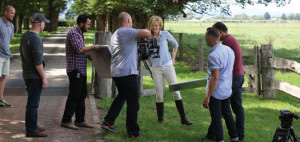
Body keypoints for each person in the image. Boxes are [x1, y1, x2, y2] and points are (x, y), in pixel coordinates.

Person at [101, 12, 151, 138]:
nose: (132, 22)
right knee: (133, 102)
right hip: (127, 73)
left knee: (122, 96)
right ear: (128, 20)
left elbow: (125, 53)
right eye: (131, 20)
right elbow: (147, 33)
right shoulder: (126, 32)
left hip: (118, 73)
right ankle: (133, 132)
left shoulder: (116, 34)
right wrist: (147, 34)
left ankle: (108, 121)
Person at [146, 16, 192, 125]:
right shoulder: (147, 37)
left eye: (157, 25)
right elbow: (145, 53)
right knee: (159, 93)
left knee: (176, 91)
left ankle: (183, 119)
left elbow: (175, 44)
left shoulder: (165, 34)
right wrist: (150, 63)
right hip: (156, 68)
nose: (155, 28)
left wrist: (173, 58)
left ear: (160, 25)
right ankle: (160, 119)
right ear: (150, 26)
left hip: (168, 66)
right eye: (153, 26)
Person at [61, 14, 99, 130]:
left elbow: (81, 50)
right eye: (88, 24)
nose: (89, 26)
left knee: (82, 95)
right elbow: (79, 49)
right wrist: (93, 47)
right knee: (74, 95)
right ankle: (66, 120)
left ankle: (80, 120)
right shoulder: (73, 33)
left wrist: (88, 55)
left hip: (81, 69)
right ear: (81, 23)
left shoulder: (80, 33)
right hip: (75, 69)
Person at [202, 27, 238, 142]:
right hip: (227, 90)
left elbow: (215, 77)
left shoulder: (213, 56)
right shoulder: (228, 50)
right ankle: (234, 138)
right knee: (228, 115)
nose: (205, 39)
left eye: (206, 37)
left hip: (216, 92)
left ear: (211, 38)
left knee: (216, 118)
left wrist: (207, 97)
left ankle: (220, 139)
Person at [213, 22, 245, 142]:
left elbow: (224, 62)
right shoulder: (232, 39)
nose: (216, 37)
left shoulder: (227, 42)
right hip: (239, 75)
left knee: (219, 105)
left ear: (221, 32)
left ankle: (215, 135)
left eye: (216, 33)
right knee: (237, 108)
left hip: (233, 78)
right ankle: (239, 135)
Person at [20, 13, 49, 137]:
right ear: (40, 23)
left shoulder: (24, 36)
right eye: (44, 23)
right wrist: (44, 77)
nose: (44, 25)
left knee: (32, 101)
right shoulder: (36, 38)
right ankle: (31, 130)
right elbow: (38, 62)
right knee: (33, 103)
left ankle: (33, 124)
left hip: (26, 73)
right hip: (34, 75)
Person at [0, 5, 15, 107]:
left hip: (7, 55)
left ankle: (0, 99)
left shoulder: (11, 25)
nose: (13, 15)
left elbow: (10, 40)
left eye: (14, 13)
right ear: (5, 12)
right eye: (11, 13)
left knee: (3, 77)